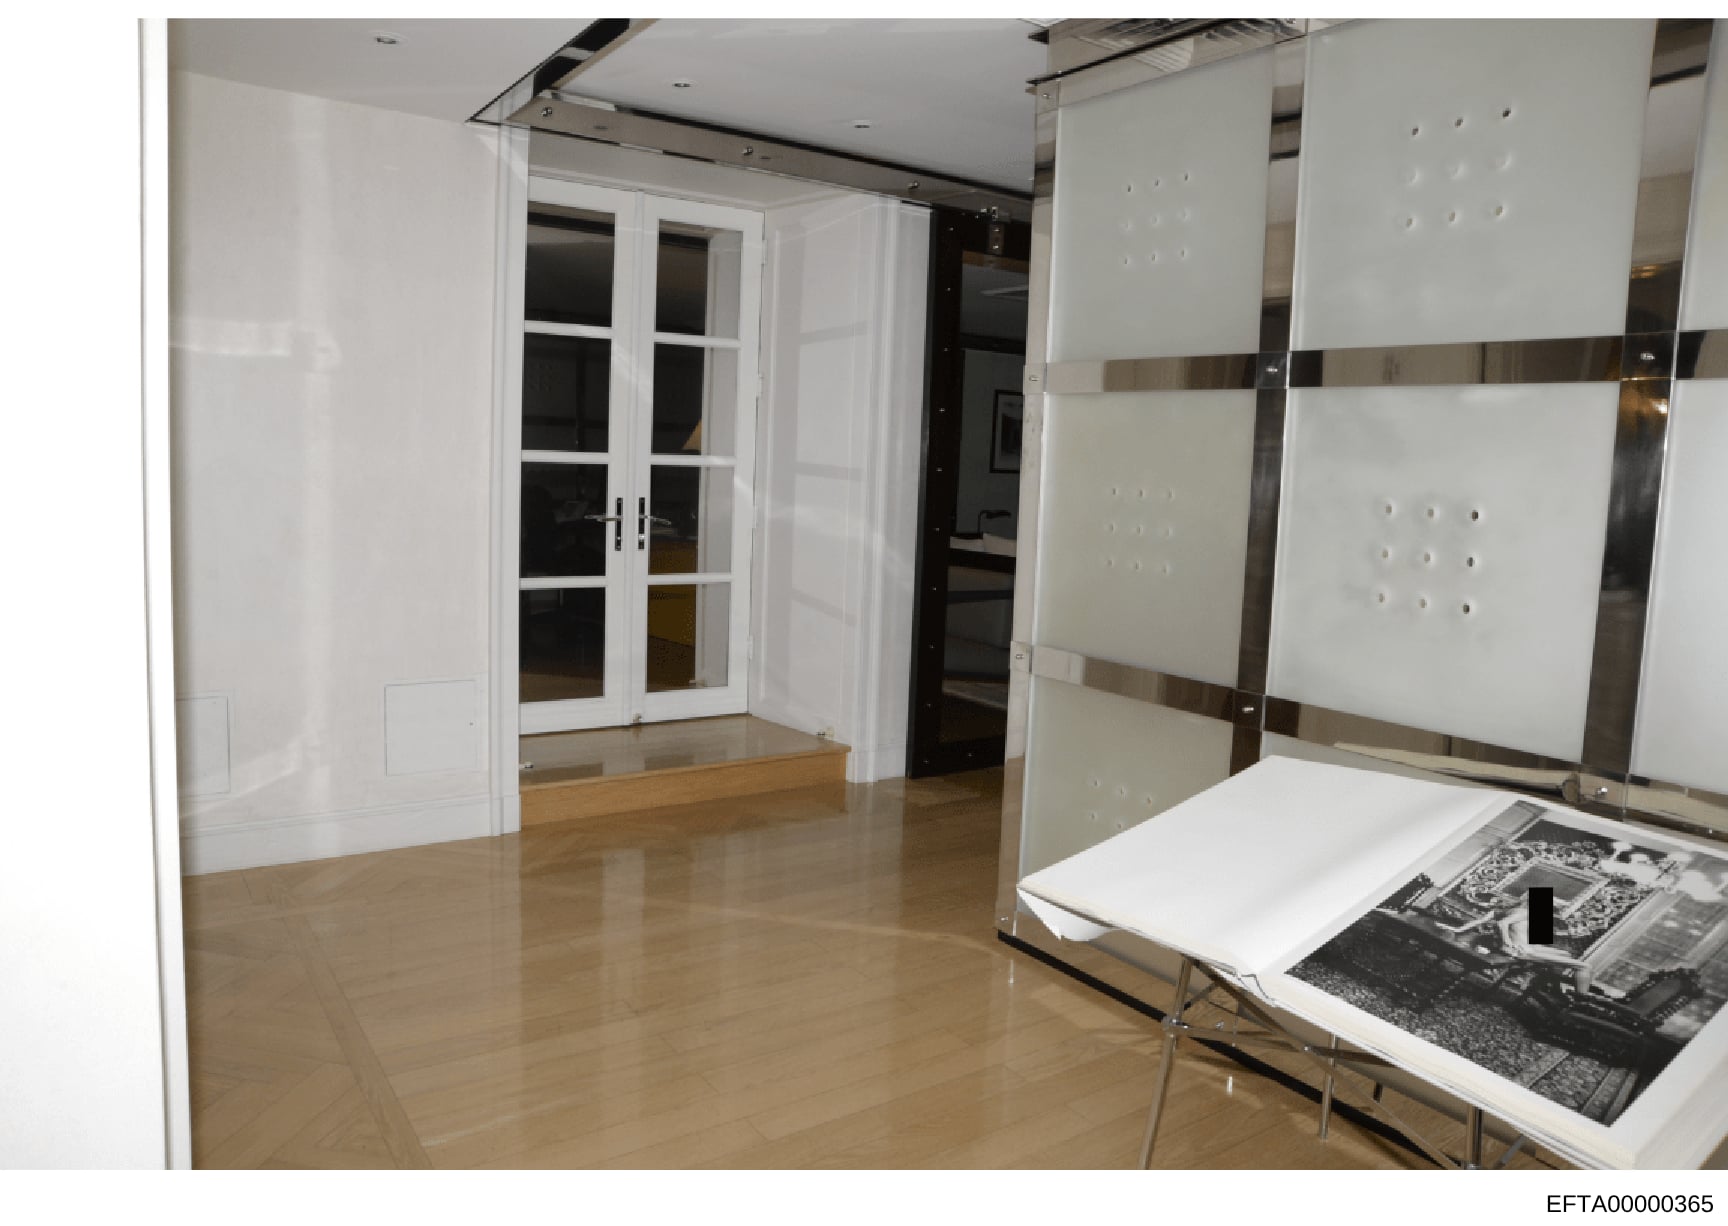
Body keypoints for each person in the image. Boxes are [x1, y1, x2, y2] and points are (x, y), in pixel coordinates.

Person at [1443, 899, 1595, 993]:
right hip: (1521, 951)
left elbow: (1479, 921)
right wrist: (1507, 941)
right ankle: (1581, 999)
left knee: (1566, 955)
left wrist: (1457, 929)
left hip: (1525, 948)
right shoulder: (1525, 913)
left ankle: (1551, 986)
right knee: (1584, 966)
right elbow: (1502, 924)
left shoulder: (1507, 911)